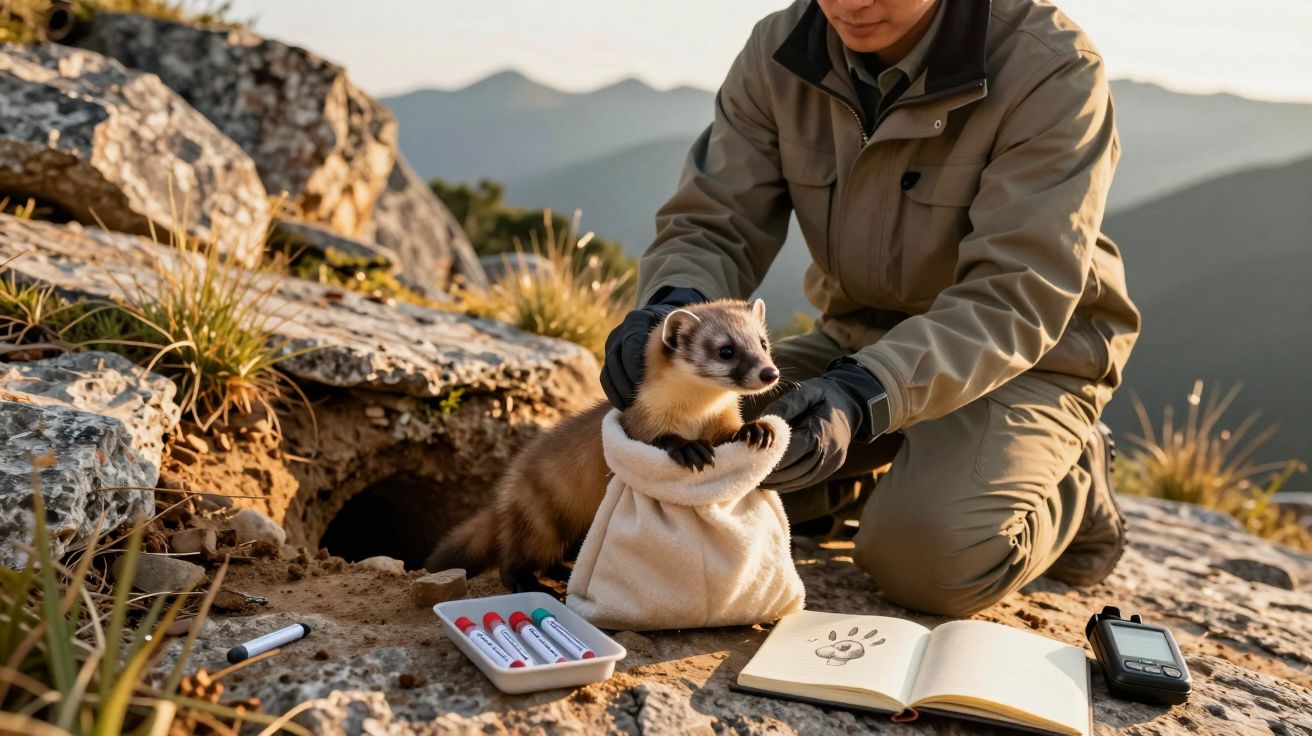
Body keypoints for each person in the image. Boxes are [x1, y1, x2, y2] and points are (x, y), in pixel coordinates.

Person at [600, 0, 1141, 616]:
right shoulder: (779, 49)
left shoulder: (1050, 66)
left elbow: (1017, 292)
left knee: (931, 562)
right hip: (854, 338)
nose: (851, 5)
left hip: (1022, 357)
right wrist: (666, 311)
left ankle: (1076, 474)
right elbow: (713, 222)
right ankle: (869, 474)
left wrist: (861, 397)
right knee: (656, 466)